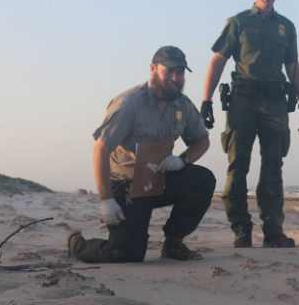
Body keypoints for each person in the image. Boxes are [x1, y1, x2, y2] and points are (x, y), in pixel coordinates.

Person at [68, 46, 216, 262]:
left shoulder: (183, 105)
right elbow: (101, 149)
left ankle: (173, 242)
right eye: (169, 71)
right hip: (127, 186)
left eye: (180, 72)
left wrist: (182, 160)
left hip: (159, 180)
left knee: (202, 180)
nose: (175, 78)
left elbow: (202, 140)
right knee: (127, 255)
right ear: (153, 68)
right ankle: (79, 246)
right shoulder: (129, 104)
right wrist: (106, 200)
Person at [200, 0, 299, 248]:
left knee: (273, 166)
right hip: (243, 102)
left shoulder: (286, 26)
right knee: (238, 165)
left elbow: (293, 67)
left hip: (275, 103)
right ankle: (241, 227)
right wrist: (206, 101)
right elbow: (218, 61)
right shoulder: (238, 23)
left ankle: (273, 229)